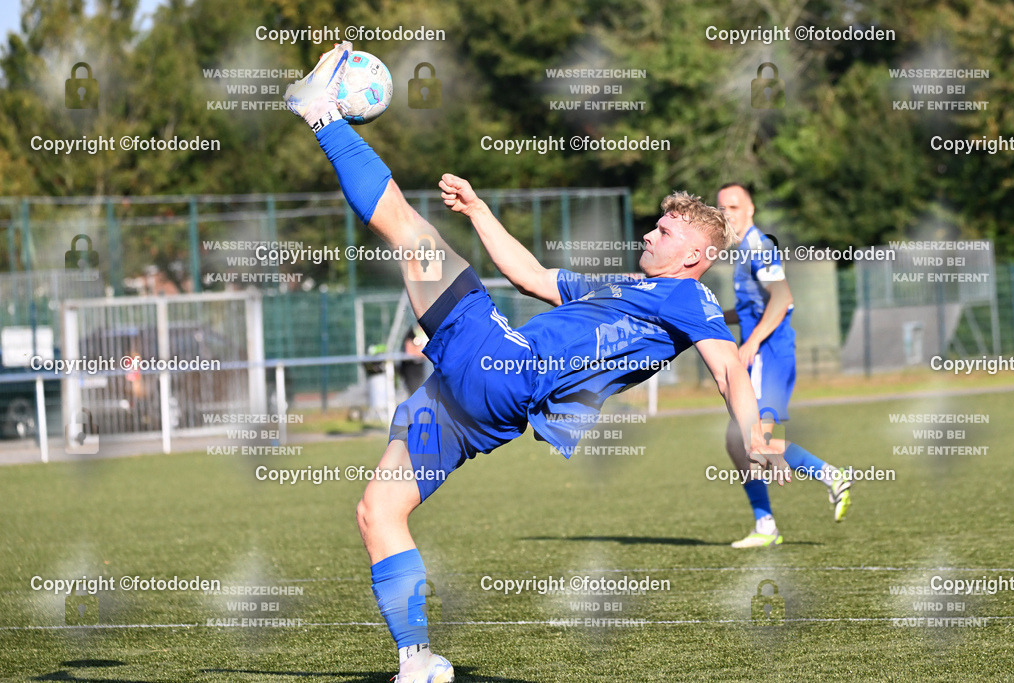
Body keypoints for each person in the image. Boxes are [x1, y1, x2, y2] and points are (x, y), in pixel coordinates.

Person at [284, 44, 790, 682]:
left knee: (410, 233)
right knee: (378, 512)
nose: (649, 234)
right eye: (654, 226)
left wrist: (755, 434)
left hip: (506, 366)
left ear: (696, 255)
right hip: (483, 403)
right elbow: (528, 276)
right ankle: (417, 660)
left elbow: (727, 371)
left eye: (664, 232)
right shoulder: (621, 289)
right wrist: (481, 212)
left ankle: (322, 116)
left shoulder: (690, 296)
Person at [716, 183, 852, 548]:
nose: (726, 213)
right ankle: (765, 524)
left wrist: (753, 342)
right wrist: (712, 318)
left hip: (770, 355)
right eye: (721, 208)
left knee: (756, 439)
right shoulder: (744, 250)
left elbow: (783, 299)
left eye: (733, 206)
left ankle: (829, 476)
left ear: (751, 210)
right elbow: (749, 310)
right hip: (762, 353)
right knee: (737, 440)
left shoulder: (759, 247)